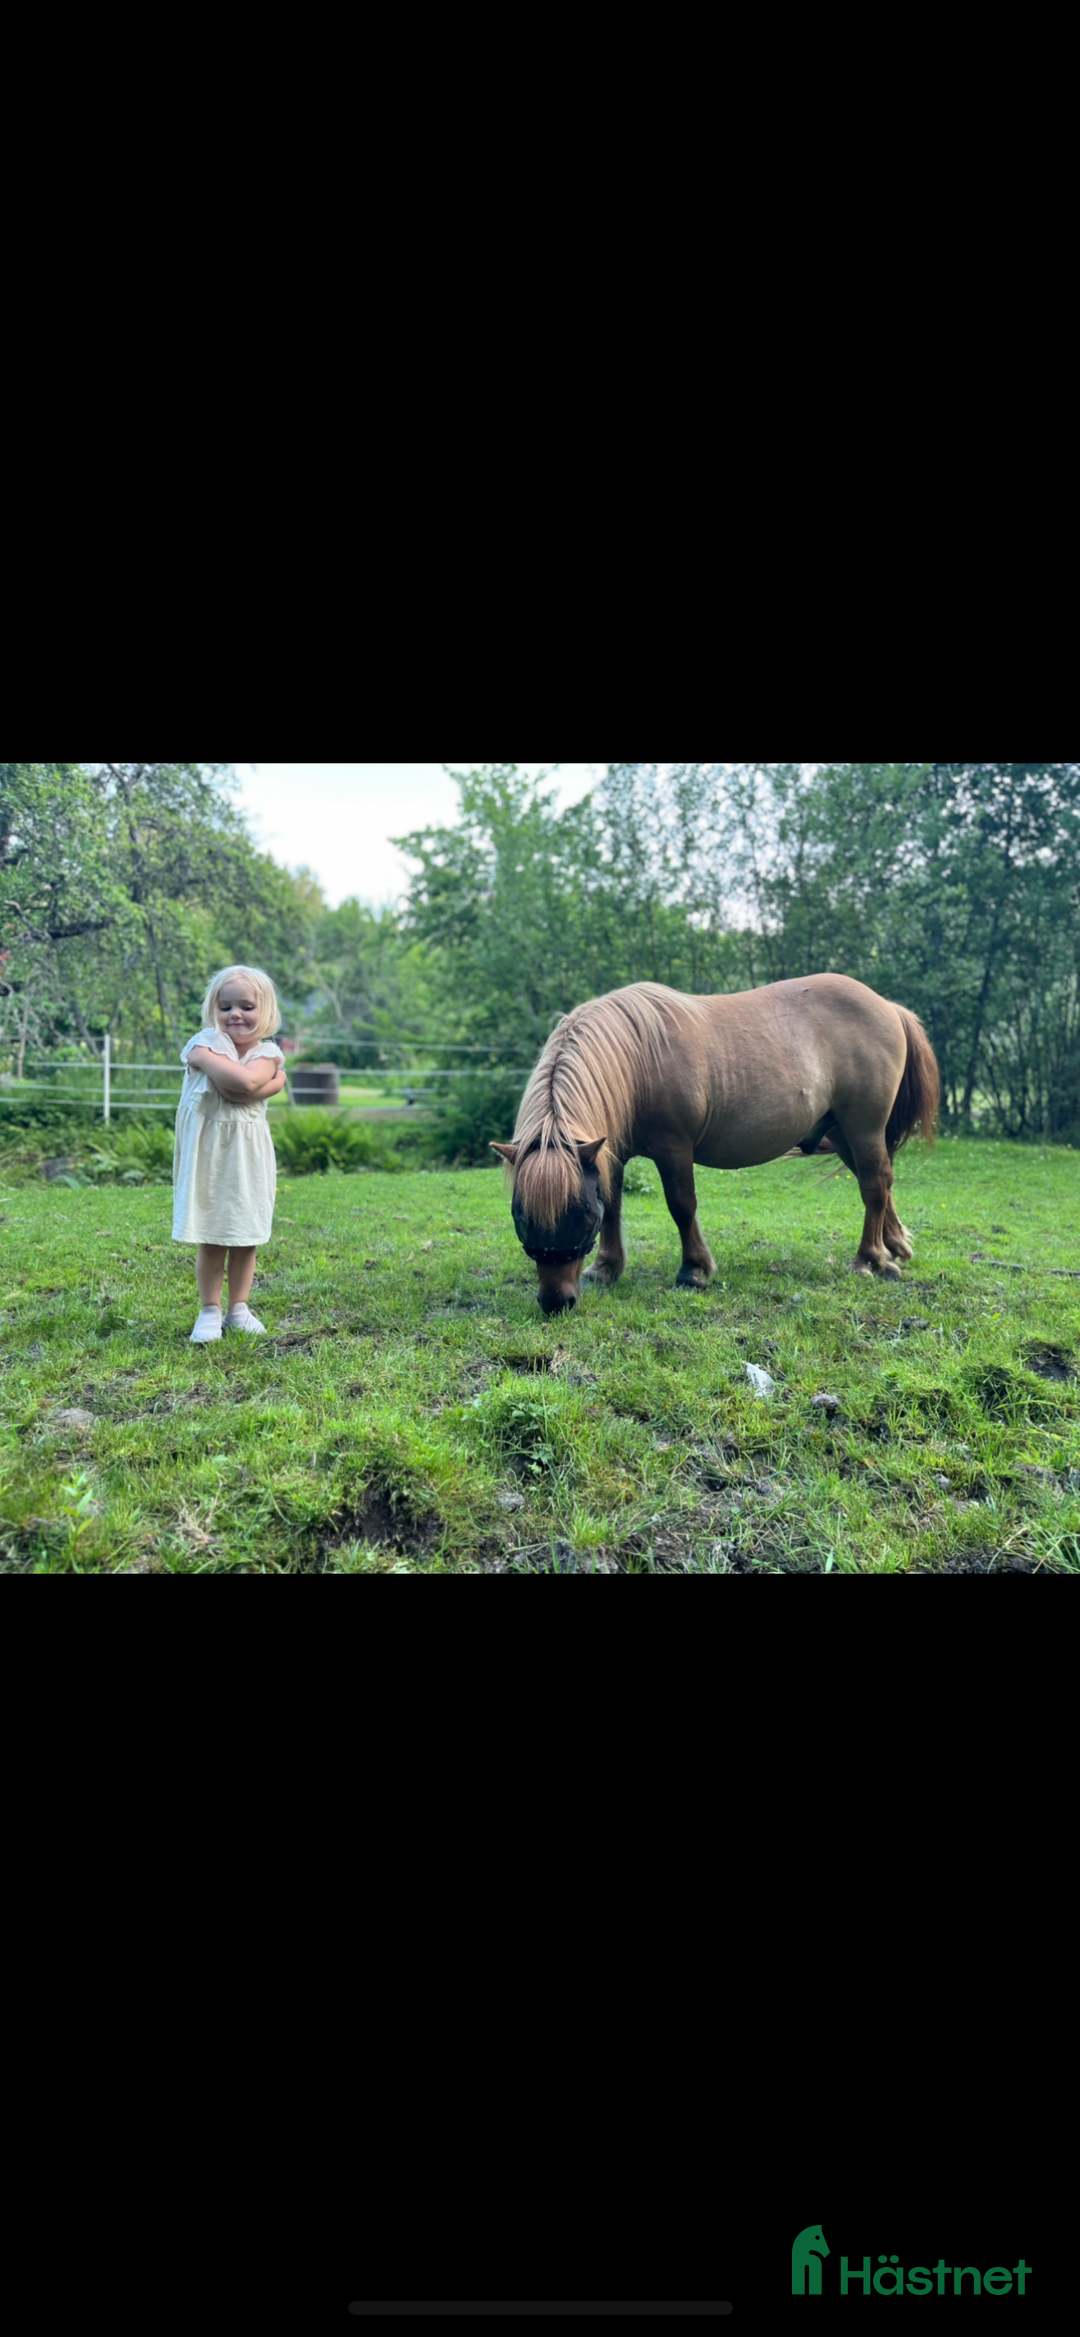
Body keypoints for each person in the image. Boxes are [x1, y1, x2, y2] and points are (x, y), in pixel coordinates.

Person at [173, 965, 288, 1342]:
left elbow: (245, 1082)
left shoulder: (267, 1052)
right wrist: (271, 1085)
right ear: (213, 1010)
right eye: (226, 1007)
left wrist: (262, 1083)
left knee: (245, 1232)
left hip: (248, 1156)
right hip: (208, 1155)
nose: (235, 1014)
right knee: (212, 1233)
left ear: (265, 1012)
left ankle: (239, 1307)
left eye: (246, 1006)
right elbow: (240, 1083)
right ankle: (209, 1309)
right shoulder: (202, 1043)